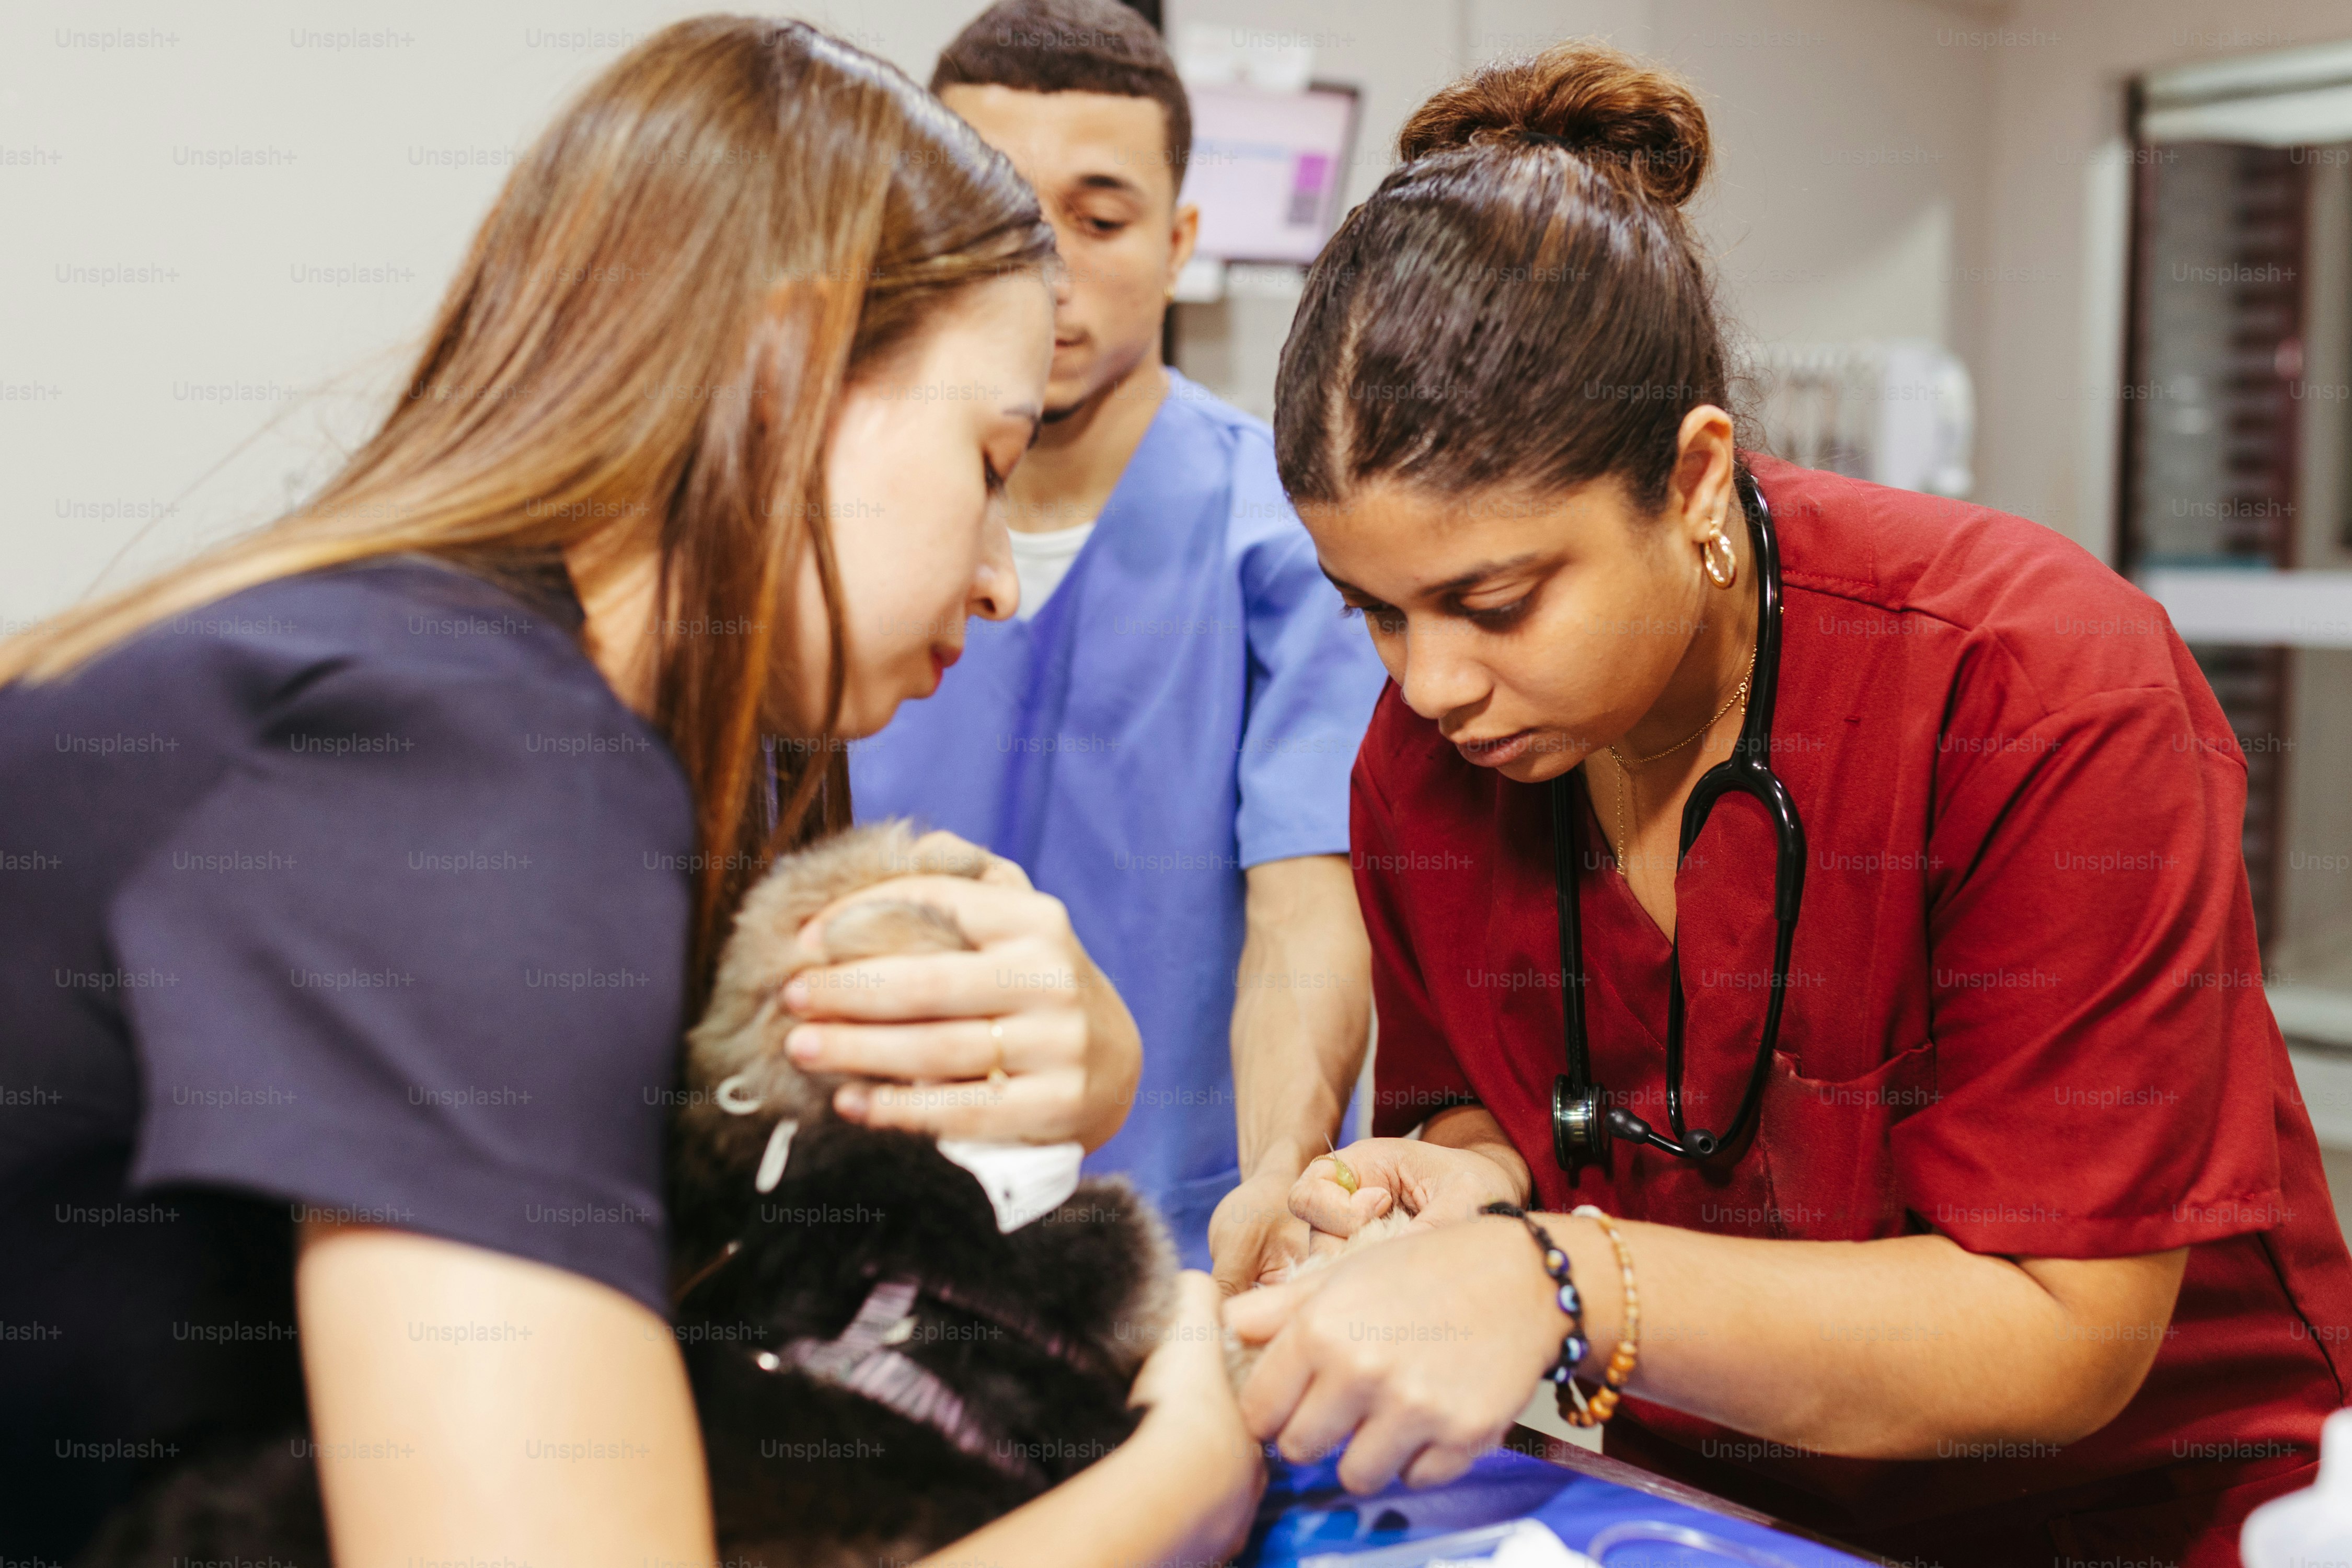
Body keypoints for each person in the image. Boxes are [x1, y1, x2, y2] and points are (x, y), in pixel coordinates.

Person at [0, 19, 1258, 1566]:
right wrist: (1186, 1471)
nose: (1002, 580)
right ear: (786, 373)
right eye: (992, 460)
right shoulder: (470, 752)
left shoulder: (460, 678)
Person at [1223, 41, 2352, 1568]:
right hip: (1709, 1518)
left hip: (2133, 1516)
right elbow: (1486, 1094)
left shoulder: (2031, 691)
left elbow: (2057, 1332)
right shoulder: (1430, 760)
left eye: (1492, 600)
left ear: (1692, 481)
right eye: (1374, 609)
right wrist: (1450, 1189)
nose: (1426, 684)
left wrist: (1558, 1283)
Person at [846, 0, 1390, 1285]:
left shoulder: (1287, 536)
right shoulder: (843, 512)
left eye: (1100, 221)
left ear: (1181, 240)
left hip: (1173, 1246)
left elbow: (1306, 917)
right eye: (999, 215)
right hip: (867, 1232)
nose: (1048, 273)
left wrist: (1279, 1179)